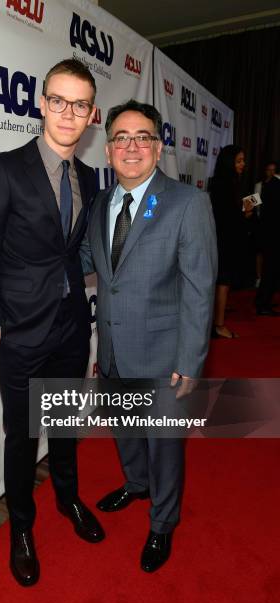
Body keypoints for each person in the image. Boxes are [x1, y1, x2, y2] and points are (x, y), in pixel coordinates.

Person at [0, 58, 104, 588]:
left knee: (66, 425)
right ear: (41, 102)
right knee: (23, 437)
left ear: (92, 114)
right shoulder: (3, 168)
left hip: (73, 327)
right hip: (20, 333)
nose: (68, 113)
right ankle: (21, 529)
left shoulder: (89, 177)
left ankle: (68, 498)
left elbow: (75, 251)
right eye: (59, 101)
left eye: (80, 104)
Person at [84, 100, 217, 572]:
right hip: (115, 351)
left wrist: (189, 362)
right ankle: (136, 485)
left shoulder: (186, 202)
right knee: (125, 431)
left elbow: (200, 291)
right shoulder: (101, 203)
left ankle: (162, 524)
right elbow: (90, 264)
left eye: (143, 137)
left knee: (164, 445)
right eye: (121, 137)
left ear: (159, 149)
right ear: (108, 150)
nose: (131, 146)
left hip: (165, 357)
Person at [209, 145, 254, 338]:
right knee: (223, 281)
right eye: (239, 160)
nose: (243, 164)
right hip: (223, 239)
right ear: (229, 162)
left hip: (228, 238)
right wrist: (245, 212)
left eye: (243, 160)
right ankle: (218, 326)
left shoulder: (231, 182)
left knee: (223, 281)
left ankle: (217, 318)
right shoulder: (222, 184)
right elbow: (226, 215)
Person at [255, 161, 280, 315]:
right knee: (270, 268)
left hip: (267, 230)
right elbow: (248, 205)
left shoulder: (268, 185)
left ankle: (263, 300)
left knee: (270, 268)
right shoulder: (261, 185)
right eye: (268, 170)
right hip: (269, 232)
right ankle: (263, 303)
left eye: (273, 170)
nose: (270, 173)